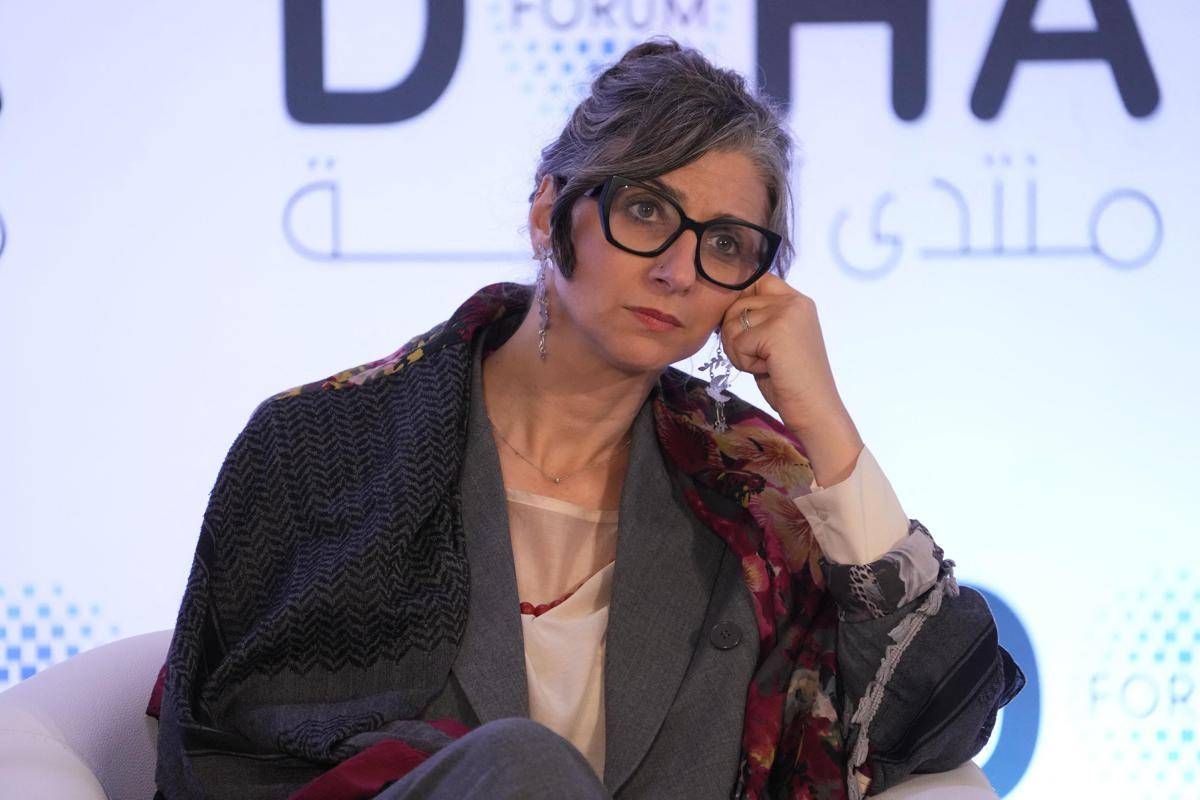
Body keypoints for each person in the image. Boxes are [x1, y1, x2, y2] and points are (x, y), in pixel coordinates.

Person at [153, 38, 1024, 800]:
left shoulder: (755, 494)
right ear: (548, 214)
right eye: (646, 211)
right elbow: (219, 757)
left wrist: (821, 419)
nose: (678, 270)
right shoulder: (320, 448)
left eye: (725, 244)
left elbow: (936, 712)